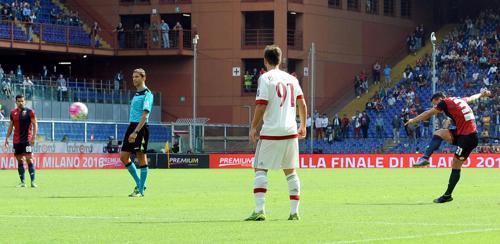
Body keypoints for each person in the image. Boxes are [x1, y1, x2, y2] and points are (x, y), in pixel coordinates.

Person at [246, 45, 307, 221]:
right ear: (280, 60)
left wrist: (253, 126)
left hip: (271, 132)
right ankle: (294, 212)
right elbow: (302, 104)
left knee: (260, 169)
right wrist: (302, 126)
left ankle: (260, 210)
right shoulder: (292, 79)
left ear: (265, 61)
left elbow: (262, 104)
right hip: (290, 131)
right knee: (291, 172)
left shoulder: (265, 78)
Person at [406, 90, 491, 203]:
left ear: (439, 99)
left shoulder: (444, 102)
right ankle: (425, 158)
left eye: (435, 104)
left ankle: (447, 195)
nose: (435, 106)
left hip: (467, 137)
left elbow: (428, 113)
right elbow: (472, 97)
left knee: (455, 165)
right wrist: (482, 94)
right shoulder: (459, 99)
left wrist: (413, 120)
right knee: (439, 133)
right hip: (463, 134)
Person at [120, 68, 153, 197]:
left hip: (141, 128)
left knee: (141, 157)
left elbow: (145, 115)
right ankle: (140, 184)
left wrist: (136, 132)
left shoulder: (147, 94)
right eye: (133, 77)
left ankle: (140, 190)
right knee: (123, 157)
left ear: (143, 78)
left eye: (137, 77)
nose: (134, 79)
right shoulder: (137, 94)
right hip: (132, 126)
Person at [4, 95, 38, 188]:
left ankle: (33, 182)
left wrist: (34, 137)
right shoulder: (12, 113)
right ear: (16, 102)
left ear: (25, 101)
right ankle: (22, 182)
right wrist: (7, 137)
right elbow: (11, 126)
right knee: (19, 161)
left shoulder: (30, 112)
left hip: (27, 140)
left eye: (22, 101)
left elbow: (35, 124)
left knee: (29, 160)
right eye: (19, 101)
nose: (21, 103)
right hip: (16, 141)